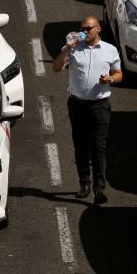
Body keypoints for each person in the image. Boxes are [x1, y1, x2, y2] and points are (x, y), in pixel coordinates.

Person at [52, 16, 123, 205]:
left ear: (98, 29)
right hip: (77, 104)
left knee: (99, 146)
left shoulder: (110, 50)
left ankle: (99, 188)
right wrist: (67, 48)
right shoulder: (74, 48)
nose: (85, 31)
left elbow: (119, 74)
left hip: (100, 105)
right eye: (82, 28)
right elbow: (56, 68)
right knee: (80, 144)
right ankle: (84, 183)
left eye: (88, 28)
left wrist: (110, 80)